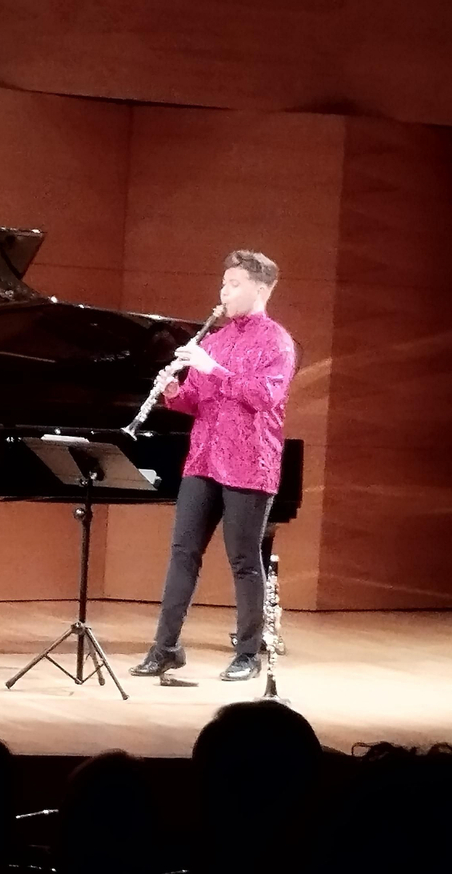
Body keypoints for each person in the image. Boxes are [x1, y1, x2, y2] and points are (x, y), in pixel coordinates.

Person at [130, 249, 296, 682]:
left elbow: (265, 397)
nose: (224, 291)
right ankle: (164, 648)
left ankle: (248, 653)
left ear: (260, 289)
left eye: (234, 284)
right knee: (183, 553)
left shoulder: (277, 341)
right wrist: (171, 390)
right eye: (223, 283)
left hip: (249, 462)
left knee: (243, 559)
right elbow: (195, 401)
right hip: (203, 458)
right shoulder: (215, 340)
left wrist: (214, 370)